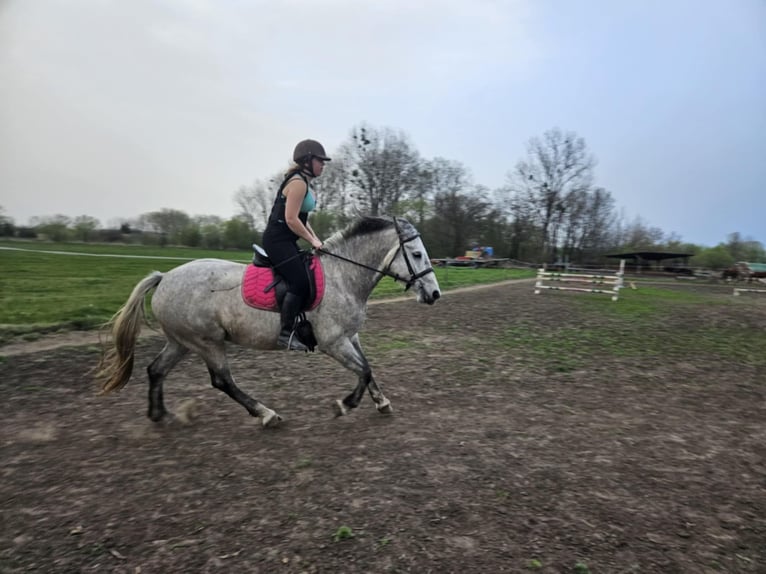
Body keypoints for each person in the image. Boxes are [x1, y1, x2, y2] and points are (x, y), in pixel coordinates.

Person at [262, 139, 330, 350]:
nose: (323, 165)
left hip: (286, 240)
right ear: (308, 160)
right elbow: (291, 219)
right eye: (321, 161)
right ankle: (285, 333)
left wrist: (317, 239)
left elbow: (302, 218)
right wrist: (311, 241)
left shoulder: (303, 182)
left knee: (308, 275)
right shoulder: (298, 183)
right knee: (299, 281)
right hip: (277, 241)